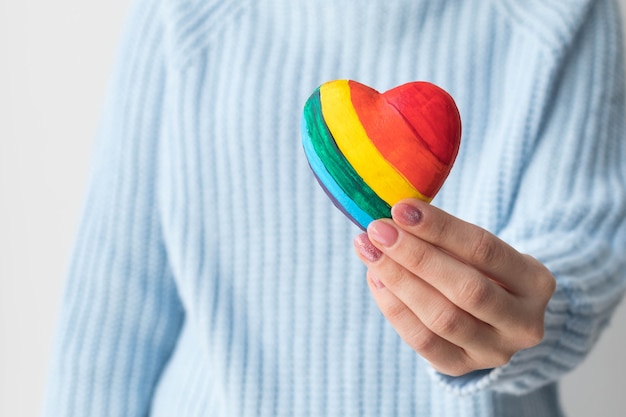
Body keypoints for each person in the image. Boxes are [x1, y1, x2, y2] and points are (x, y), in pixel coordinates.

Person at [41, 0, 626, 416]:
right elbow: (113, 306)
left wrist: (525, 310)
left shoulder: (562, 11)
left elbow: (582, 241)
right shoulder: (186, 14)